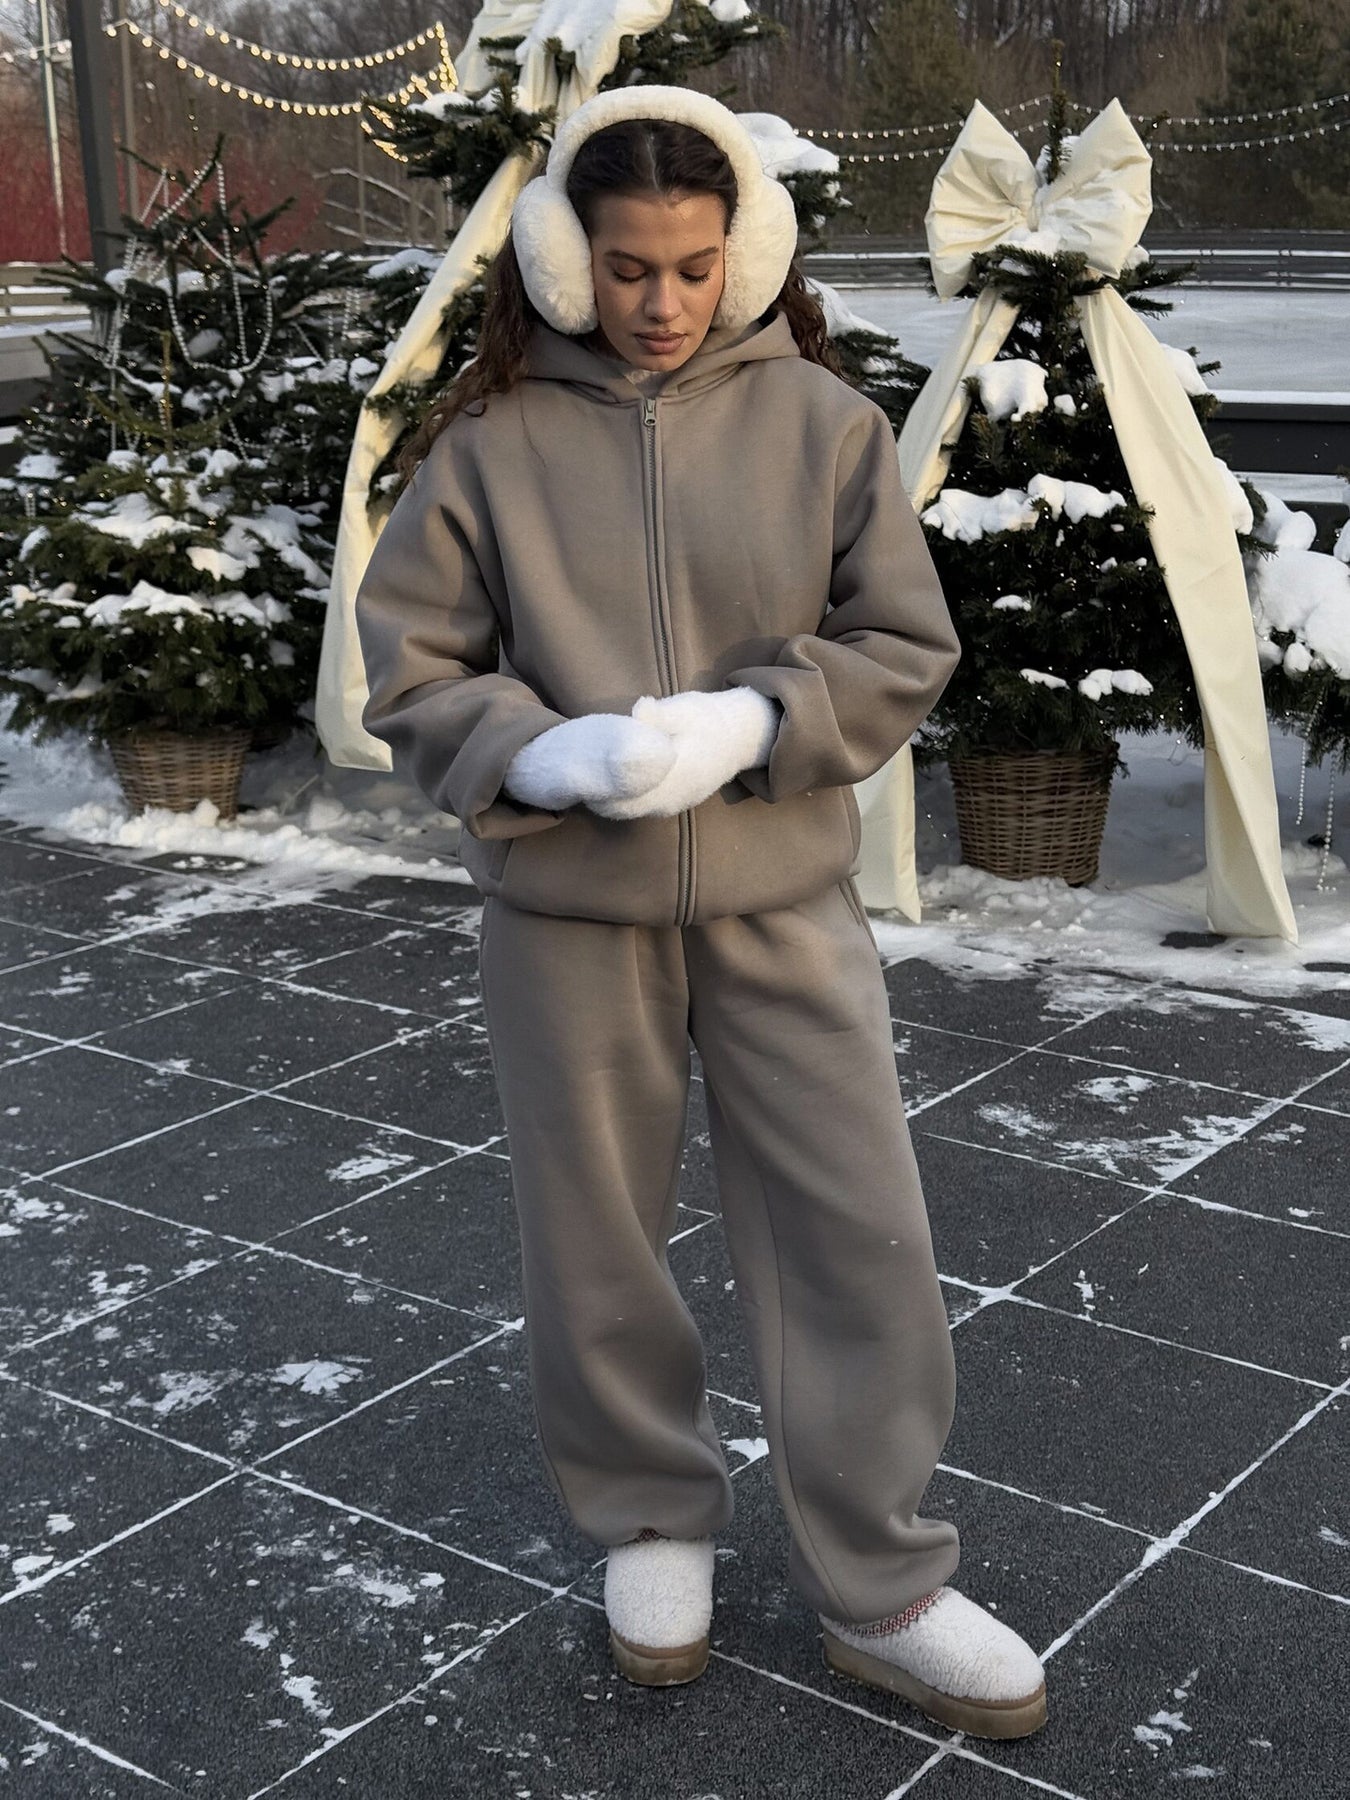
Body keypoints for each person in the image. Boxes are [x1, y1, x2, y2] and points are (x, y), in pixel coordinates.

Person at [353, 84, 1047, 1741]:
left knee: (856, 1233)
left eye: (688, 266)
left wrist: (752, 722)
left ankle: (881, 1578)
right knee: (591, 1238)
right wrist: (546, 753)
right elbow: (414, 672)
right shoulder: (488, 445)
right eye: (623, 267)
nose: (657, 302)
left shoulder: (823, 426)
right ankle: (649, 1521)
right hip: (563, 922)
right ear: (562, 262)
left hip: (780, 902)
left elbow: (901, 643)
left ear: (743, 257)